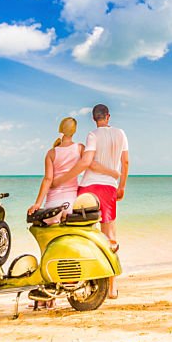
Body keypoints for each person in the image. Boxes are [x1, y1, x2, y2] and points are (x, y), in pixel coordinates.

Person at [51, 103, 129, 299]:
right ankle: (111, 288)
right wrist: (121, 185)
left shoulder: (92, 135)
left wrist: (60, 180)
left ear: (94, 119)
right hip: (109, 188)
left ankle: (78, 278)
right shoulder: (121, 134)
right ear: (108, 116)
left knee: (82, 233)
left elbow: (87, 163)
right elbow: (125, 162)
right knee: (110, 236)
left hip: (88, 187)